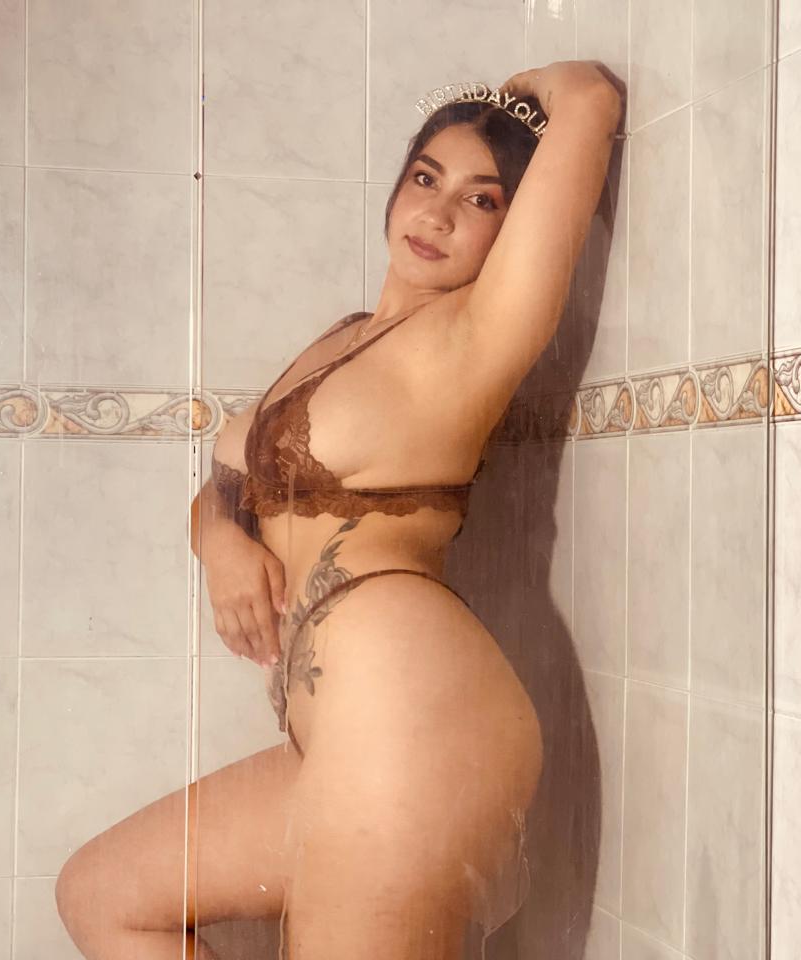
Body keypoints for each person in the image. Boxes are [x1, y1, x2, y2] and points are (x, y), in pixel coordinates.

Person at [54, 60, 624, 960]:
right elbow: (224, 492)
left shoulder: (480, 332)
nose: (437, 213)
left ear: (512, 226)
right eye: (426, 178)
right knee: (104, 896)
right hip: (340, 737)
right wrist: (221, 547)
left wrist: (511, 91)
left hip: (415, 716)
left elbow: (589, 98)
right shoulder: (344, 339)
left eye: (481, 199)